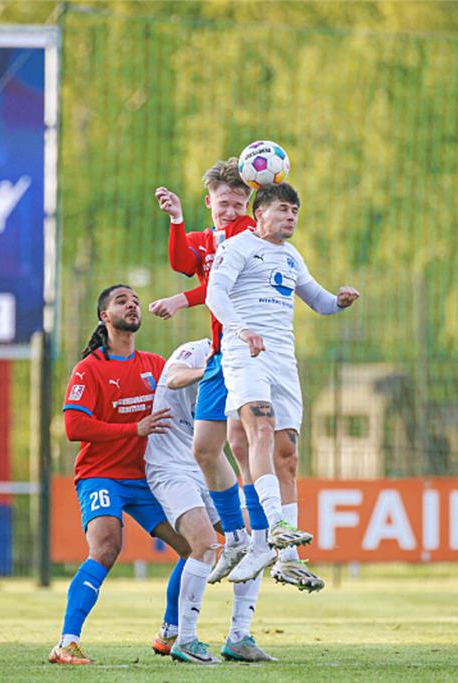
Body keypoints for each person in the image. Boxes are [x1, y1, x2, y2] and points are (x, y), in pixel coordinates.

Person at [152, 160, 324, 592]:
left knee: (252, 443)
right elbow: (184, 261)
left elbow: (213, 285)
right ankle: (238, 536)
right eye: (222, 204)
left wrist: (182, 299)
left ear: (249, 203)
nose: (230, 212)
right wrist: (176, 220)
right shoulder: (208, 239)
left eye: (237, 203)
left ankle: (269, 542)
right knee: (208, 450)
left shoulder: (250, 235)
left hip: (248, 353)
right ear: (208, 204)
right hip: (219, 355)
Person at [206, 183, 359, 583]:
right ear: (259, 214)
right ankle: (274, 526)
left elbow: (319, 302)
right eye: (283, 209)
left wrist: (339, 301)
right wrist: (241, 330)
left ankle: (286, 556)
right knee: (260, 430)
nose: (291, 216)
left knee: (286, 453)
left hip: (283, 362)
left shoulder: (291, 257)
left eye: (295, 210)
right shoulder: (237, 247)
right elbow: (214, 294)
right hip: (247, 354)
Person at [49, 284, 192, 666]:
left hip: (148, 477)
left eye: (136, 301)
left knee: (194, 547)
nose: (132, 305)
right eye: (121, 301)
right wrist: (134, 430)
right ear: (104, 316)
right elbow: (74, 426)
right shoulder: (90, 368)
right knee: (107, 548)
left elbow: (179, 396)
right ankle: (66, 642)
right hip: (102, 475)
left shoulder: (155, 365)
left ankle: (169, 633)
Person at [145, 337, 277, 663]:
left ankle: (238, 637)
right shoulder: (202, 350)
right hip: (170, 466)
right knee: (204, 545)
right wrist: (209, 371)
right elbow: (173, 376)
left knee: (251, 544)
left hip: (206, 462)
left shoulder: (247, 362)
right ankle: (185, 639)